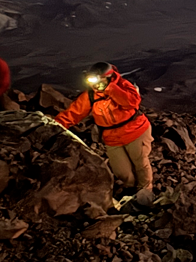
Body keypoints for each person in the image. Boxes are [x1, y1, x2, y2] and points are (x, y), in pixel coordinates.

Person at [55, 62, 154, 192]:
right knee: (122, 172)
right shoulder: (91, 95)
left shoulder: (122, 85)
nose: (94, 84)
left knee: (140, 163)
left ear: (107, 77)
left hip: (135, 131)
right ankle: (131, 191)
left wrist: (110, 89)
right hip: (112, 138)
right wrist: (55, 125)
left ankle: (146, 193)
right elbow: (74, 113)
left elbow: (131, 102)